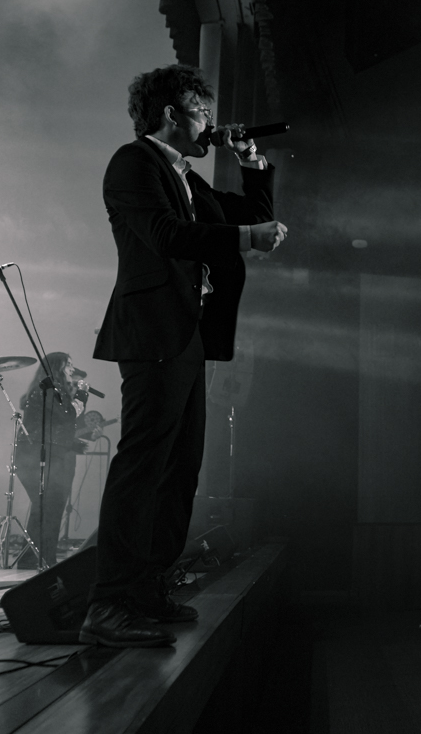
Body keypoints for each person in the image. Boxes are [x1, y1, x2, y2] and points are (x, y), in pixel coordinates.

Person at [82, 64, 286, 648]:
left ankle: (147, 586)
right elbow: (167, 235)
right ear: (172, 114)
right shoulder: (134, 163)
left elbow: (249, 217)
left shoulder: (186, 177)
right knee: (144, 463)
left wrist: (252, 161)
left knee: (180, 468)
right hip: (153, 331)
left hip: (187, 334)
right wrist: (247, 239)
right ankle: (108, 602)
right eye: (202, 113)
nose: (209, 124)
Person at [13, 352, 89, 569]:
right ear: (57, 367)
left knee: (45, 508)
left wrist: (74, 443)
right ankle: (40, 558)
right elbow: (68, 415)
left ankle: (35, 558)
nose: (72, 369)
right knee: (50, 507)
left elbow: (58, 425)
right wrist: (82, 395)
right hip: (44, 456)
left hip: (43, 454)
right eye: (68, 364)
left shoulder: (50, 391)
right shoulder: (48, 389)